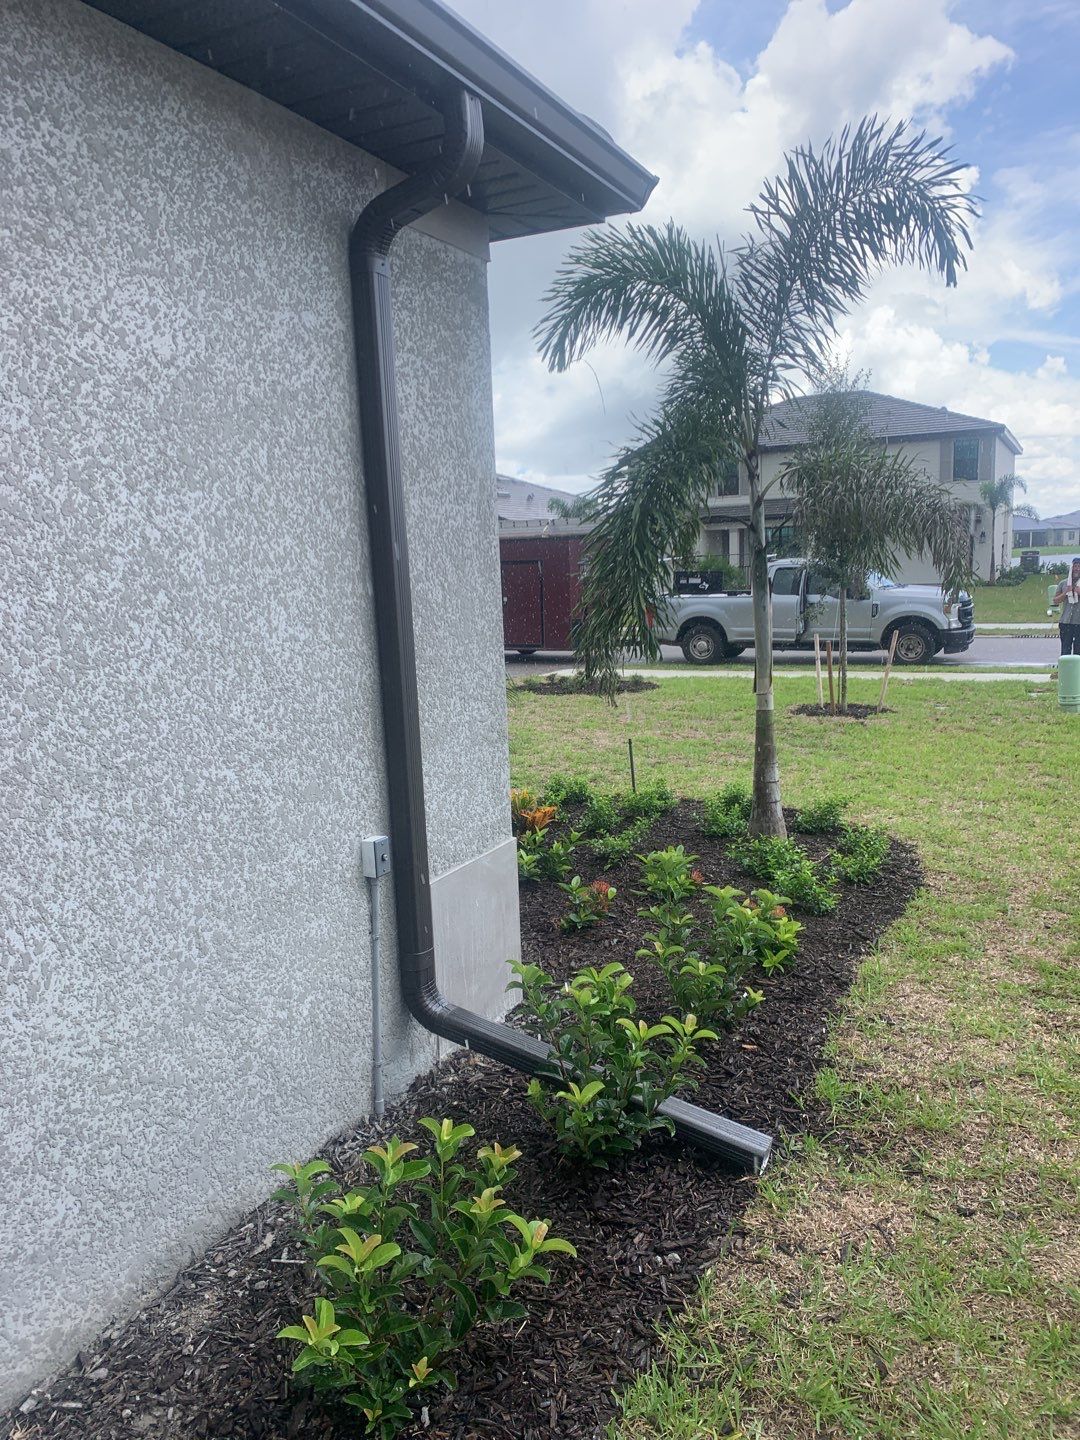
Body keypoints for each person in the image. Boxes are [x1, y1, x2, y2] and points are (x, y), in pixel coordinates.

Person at [1051, 557, 1080, 656]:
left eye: (1079, 566)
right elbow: (1055, 601)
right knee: (1065, 650)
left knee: (1078, 651)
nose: (1077, 569)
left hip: (1079, 623)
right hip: (1066, 622)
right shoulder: (1064, 583)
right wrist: (1066, 593)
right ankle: (1065, 670)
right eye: (1075, 566)